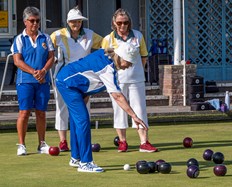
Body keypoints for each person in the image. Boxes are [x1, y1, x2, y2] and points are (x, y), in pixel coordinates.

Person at [55, 42, 148, 173]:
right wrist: (134, 116)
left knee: (78, 121)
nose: (130, 66)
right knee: (83, 121)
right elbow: (117, 96)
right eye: (129, 62)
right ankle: (86, 163)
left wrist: (84, 97)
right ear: (122, 57)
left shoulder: (105, 57)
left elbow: (87, 78)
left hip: (71, 83)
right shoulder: (107, 68)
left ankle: (76, 158)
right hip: (67, 84)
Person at [101, 8, 158, 152]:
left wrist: (136, 70)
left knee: (140, 109)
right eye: (119, 23)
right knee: (119, 110)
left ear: (129, 23)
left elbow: (144, 56)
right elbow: (104, 61)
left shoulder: (137, 36)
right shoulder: (108, 39)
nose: (122, 26)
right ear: (114, 23)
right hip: (117, 81)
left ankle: (144, 142)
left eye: (125, 22)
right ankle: (122, 141)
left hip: (136, 79)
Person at [50, 6, 103, 151]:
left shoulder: (90, 35)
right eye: (73, 22)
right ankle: (63, 141)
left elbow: (105, 44)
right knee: (62, 109)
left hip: (83, 78)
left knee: (84, 109)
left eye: (79, 21)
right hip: (63, 76)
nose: (76, 24)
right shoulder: (58, 35)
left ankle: (82, 140)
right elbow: (46, 47)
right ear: (68, 22)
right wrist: (52, 58)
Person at [11, 6, 55, 156]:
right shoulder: (19, 39)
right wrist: (33, 72)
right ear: (25, 22)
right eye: (32, 21)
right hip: (25, 81)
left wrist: (43, 71)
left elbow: (51, 57)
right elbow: (17, 61)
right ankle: (21, 144)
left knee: (41, 113)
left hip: (43, 80)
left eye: (37, 20)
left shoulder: (45, 38)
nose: (35, 24)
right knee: (24, 112)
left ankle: (42, 143)